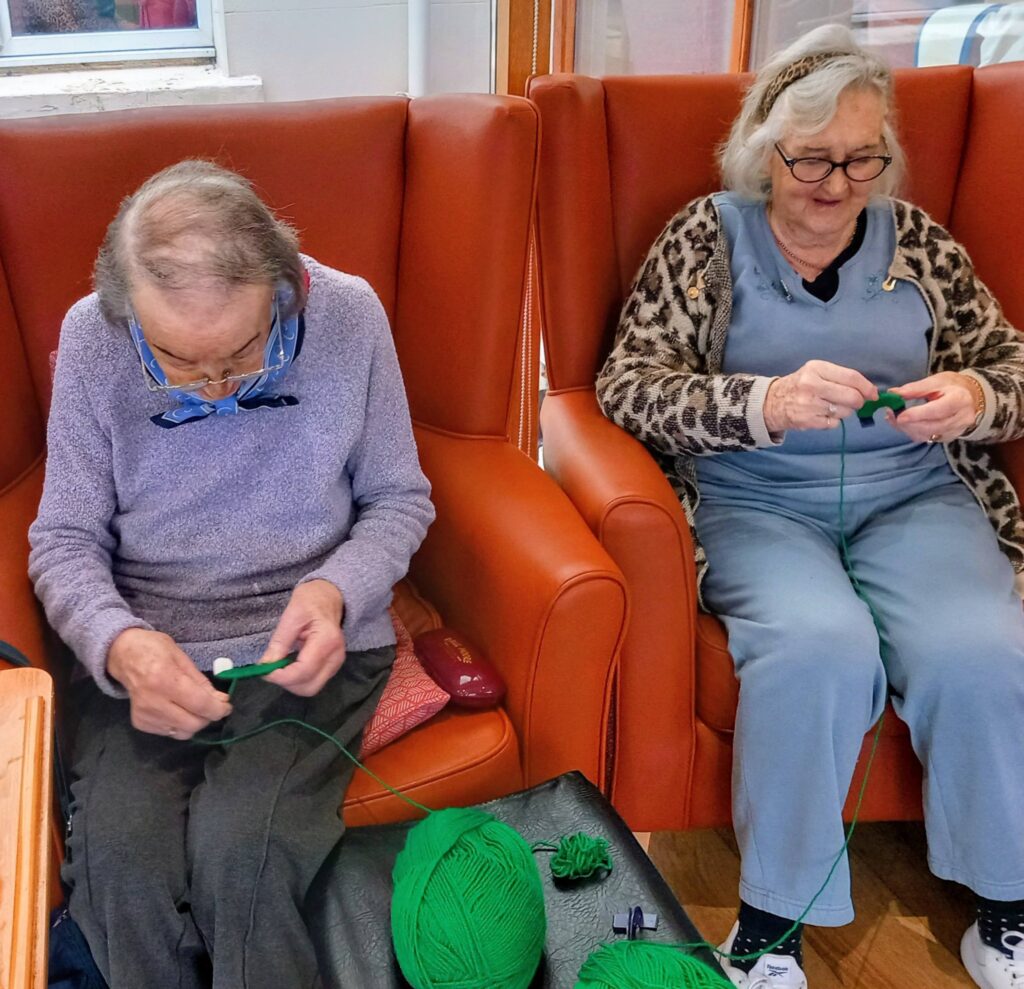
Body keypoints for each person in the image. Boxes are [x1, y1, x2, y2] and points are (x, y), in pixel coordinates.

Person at [597, 25, 1024, 989]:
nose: (836, 183)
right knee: (816, 648)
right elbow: (626, 385)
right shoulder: (706, 237)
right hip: (755, 499)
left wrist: (974, 395)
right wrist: (765, 401)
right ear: (764, 150)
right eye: (812, 159)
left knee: (982, 648)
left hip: (915, 492)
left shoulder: (920, 243)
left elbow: (1013, 365)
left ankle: (1008, 907)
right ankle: (769, 928)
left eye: (862, 159)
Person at [28, 160, 435, 988]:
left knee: (244, 851)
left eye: (245, 352)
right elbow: (63, 540)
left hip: (309, 643)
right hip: (150, 647)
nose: (216, 388)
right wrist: (120, 645)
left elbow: (399, 499)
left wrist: (335, 591)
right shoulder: (92, 337)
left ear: (285, 285)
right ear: (126, 314)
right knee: (121, 862)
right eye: (177, 361)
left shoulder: (349, 314)